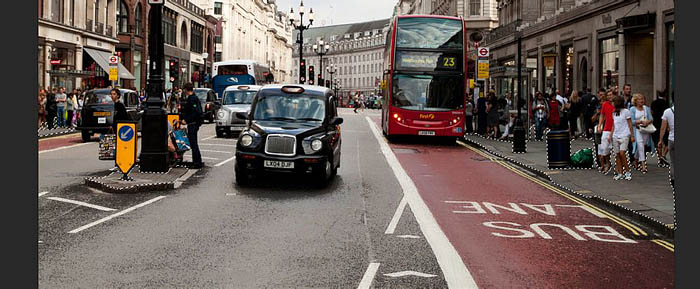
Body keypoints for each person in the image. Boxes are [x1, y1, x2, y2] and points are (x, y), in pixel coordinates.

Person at [609, 95, 635, 180]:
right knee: (617, 155)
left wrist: (632, 135)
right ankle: (620, 173)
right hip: (615, 135)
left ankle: (627, 171)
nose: (611, 103)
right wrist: (610, 135)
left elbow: (630, 124)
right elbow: (613, 125)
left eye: (613, 102)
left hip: (625, 135)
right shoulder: (614, 112)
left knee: (622, 153)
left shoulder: (626, 111)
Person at [180, 82, 203, 169]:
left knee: (193, 144)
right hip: (193, 123)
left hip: (192, 124)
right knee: (193, 143)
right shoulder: (193, 98)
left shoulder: (192, 99)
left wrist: (186, 120)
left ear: (186, 89)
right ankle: (197, 161)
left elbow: (196, 112)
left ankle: (197, 162)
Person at [629, 93, 654, 174]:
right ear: (635, 101)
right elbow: (631, 121)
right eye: (639, 99)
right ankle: (643, 165)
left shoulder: (646, 108)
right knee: (640, 145)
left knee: (642, 146)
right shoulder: (632, 109)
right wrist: (639, 121)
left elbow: (651, 119)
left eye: (642, 99)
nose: (641, 101)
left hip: (645, 130)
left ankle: (635, 160)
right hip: (637, 130)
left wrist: (647, 122)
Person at [597, 89, 615, 174]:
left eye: (611, 95)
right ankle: (607, 163)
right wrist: (599, 125)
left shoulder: (618, 104)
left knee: (618, 149)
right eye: (608, 95)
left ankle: (620, 167)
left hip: (617, 129)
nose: (609, 97)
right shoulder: (605, 104)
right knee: (605, 148)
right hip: (607, 128)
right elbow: (602, 115)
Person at [650, 90, 670, 167]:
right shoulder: (666, 103)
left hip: (655, 123)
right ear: (665, 96)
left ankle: (660, 157)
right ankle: (664, 155)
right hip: (664, 123)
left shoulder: (654, 102)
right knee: (667, 141)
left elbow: (651, 112)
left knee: (657, 141)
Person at [658, 103, 675, 186]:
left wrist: (660, 140)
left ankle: (673, 179)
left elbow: (663, 128)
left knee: (672, 161)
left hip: (672, 139)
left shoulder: (667, 112)